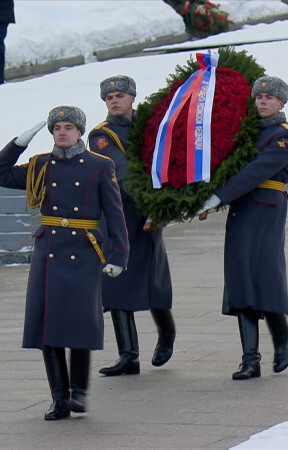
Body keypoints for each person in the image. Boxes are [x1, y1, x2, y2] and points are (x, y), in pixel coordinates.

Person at [0, 105, 129, 421]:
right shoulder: (40, 166)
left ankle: (79, 392)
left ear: (80, 132)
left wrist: (118, 256)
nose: (62, 132)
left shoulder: (99, 165)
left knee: (78, 324)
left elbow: (115, 214)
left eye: (68, 127)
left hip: (84, 251)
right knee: (48, 327)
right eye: (57, 128)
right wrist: (18, 143)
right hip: (49, 250)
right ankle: (59, 398)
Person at [197, 75, 288, 380]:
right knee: (240, 278)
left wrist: (218, 196)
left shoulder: (285, 135)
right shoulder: (243, 133)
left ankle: (282, 339)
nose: (263, 102)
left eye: (269, 98)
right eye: (258, 98)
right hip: (242, 209)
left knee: (264, 276)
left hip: (266, 209)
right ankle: (250, 359)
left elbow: (256, 171)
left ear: (282, 103)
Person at [88, 75, 176, 376]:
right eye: (109, 97)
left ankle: (167, 333)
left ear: (132, 98)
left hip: (150, 213)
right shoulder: (102, 135)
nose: (114, 101)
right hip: (120, 212)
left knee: (153, 277)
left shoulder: (152, 126)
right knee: (117, 280)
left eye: (120, 95)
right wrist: (150, 199)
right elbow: (119, 170)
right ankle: (129, 354)